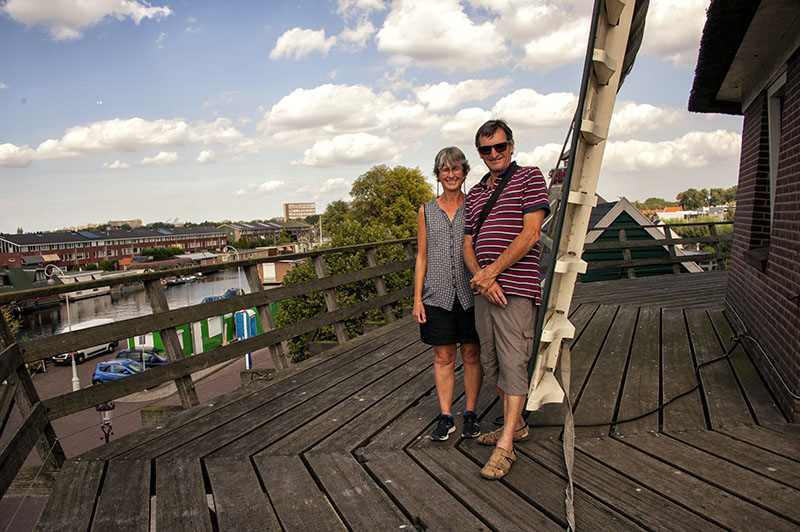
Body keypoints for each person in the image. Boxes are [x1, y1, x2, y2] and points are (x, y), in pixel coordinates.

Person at [463, 119, 550, 479]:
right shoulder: (476, 193)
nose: (494, 154)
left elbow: (531, 234)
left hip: (515, 287)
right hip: (486, 289)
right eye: (486, 149)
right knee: (493, 361)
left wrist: (492, 272)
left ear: (511, 145)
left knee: (514, 360)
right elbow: (467, 244)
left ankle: (506, 447)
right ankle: (517, 427)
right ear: (480, 153)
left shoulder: (530, 177)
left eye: (500, 146)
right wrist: (482, 279)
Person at [413, 147, 483, 441]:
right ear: (438, 175)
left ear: (464, 173)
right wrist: (417, 298)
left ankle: (470, 413)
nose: (451, 175)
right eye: (445, 170)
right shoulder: (426, 210)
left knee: (470, 353)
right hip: (437, 294)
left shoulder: (477, 205)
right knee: (443, 356)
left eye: (456, 169)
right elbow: (422, 256)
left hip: (471, 292)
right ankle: (446, 416)